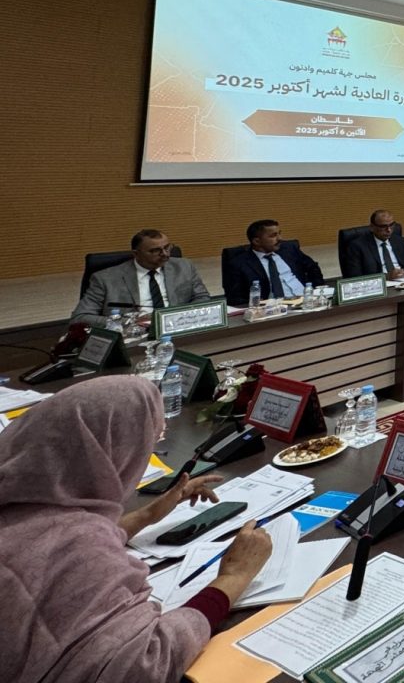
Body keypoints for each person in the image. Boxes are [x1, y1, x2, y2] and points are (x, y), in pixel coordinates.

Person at [0, 377, 273, 683]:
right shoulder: (79, 547)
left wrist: (148, 514)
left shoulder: (20, 507)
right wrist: (233, 578)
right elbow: (146, 663)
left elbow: (49, 539)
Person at [73, 229, 212, 327]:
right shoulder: (105, 279)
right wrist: (129, 322)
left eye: (167, 247)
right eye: (155, 250)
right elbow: (80, 317)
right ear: (136, 254)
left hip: (176, 327)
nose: (165, 254)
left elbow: (202, 298)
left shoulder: (184, 267)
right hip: (133, 334)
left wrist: (177, 316)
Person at [222, 220, 325, 305]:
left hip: (307, 301)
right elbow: (235, 298)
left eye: (279, 233)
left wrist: (317, 291)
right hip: (273, 308)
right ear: (257, 241)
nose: (280, 238)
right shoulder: (239, 264)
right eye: (273, 236)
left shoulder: (289, 250)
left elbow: (313, 267)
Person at [340, 210, 404, 280]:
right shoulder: (357, 246)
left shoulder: (400, 241)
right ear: (372, 227)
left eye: (391, 225)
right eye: (383, 226)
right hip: (378, 286)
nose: (389, 230)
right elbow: (354, 277)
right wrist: (386, 276)